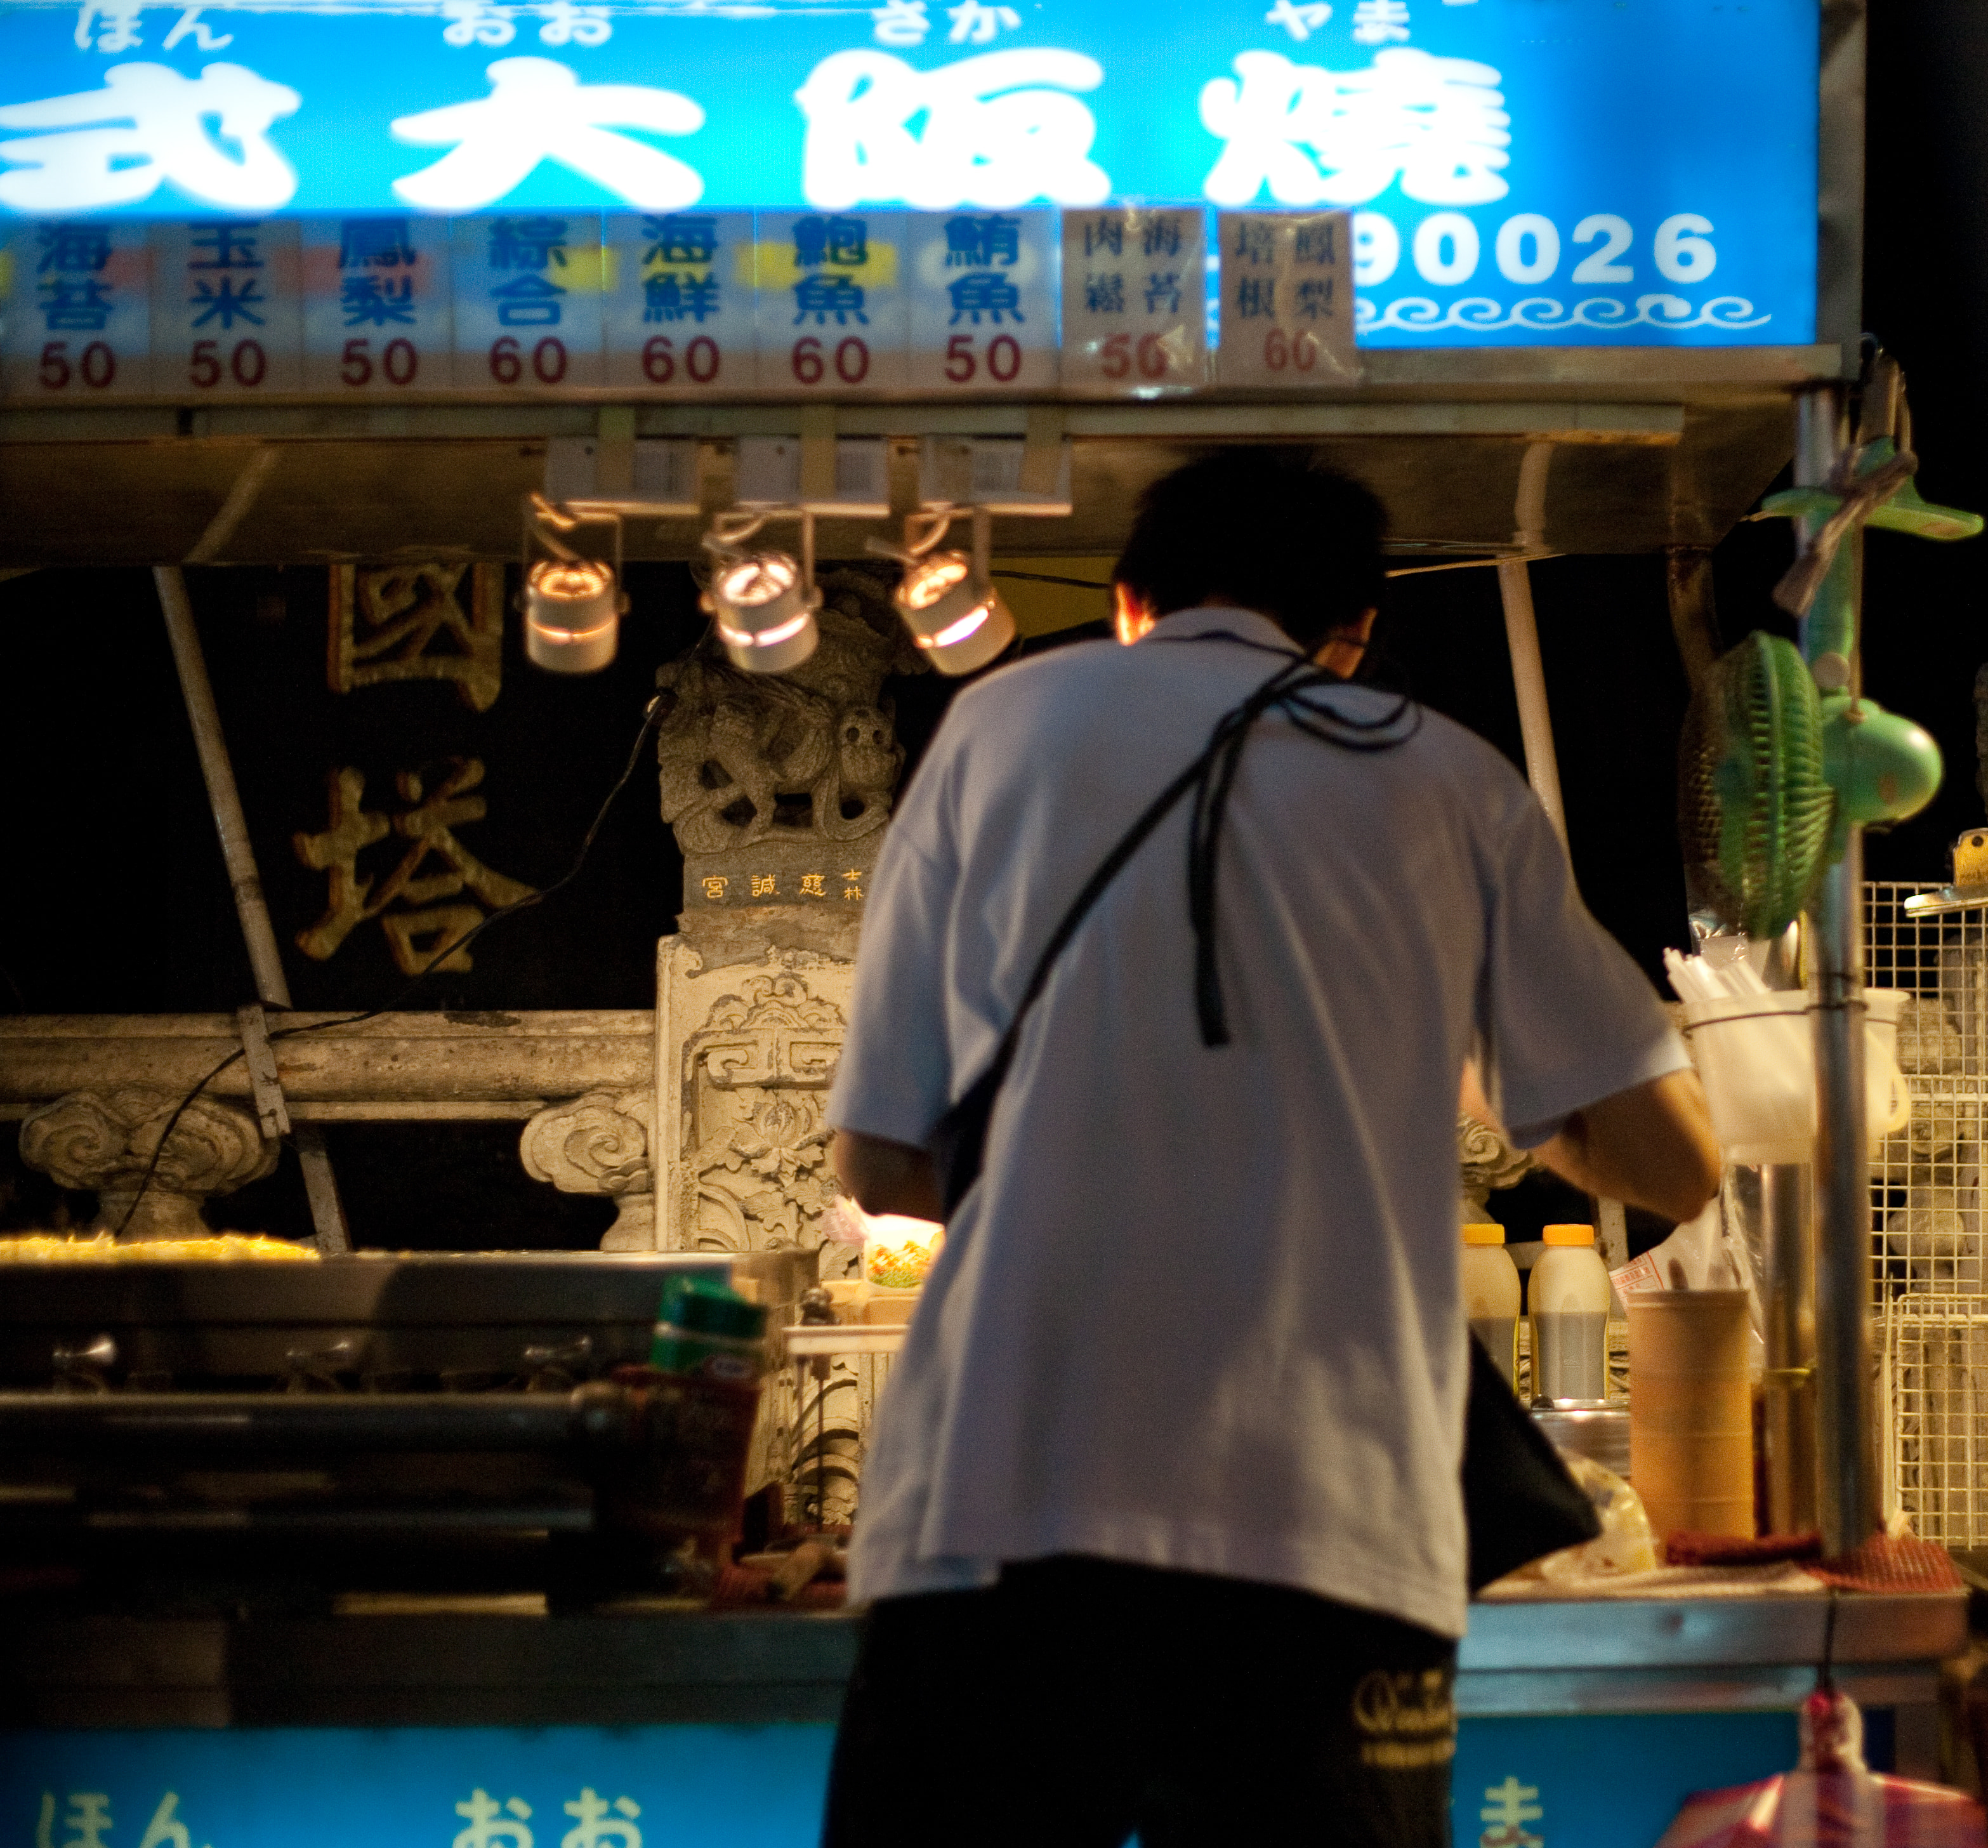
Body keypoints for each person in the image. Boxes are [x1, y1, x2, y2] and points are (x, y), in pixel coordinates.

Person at [820, 451, 1720, 1847]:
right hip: (1332, 1526)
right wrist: (1443, 1079)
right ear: (1355, 631)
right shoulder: (1447, 778)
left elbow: (878, 1165)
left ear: (1130, 604)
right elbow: (1671, 1167)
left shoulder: (997, 727)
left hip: (997, 1506)